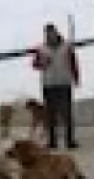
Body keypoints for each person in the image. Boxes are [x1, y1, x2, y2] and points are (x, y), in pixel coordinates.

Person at [31, 22, 80, 150]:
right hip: (48, 84)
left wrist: (76, 78)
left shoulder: (67, 46)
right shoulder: (41, 48)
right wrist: (43, 63)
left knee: (66, 113)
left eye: (51, 33)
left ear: (56, 32)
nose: (49, 36)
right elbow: (34, 65)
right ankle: (52, 141)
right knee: (50, 115)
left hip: (64, 83)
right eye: (47, 34)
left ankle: (70, 140)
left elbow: (73, 62)